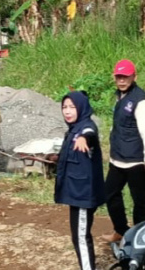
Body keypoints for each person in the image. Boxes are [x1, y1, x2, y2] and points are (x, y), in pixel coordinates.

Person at [102, 60, 145, 243]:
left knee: (139, 200)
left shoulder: (141, 101)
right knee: (110, 194)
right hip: (117, 158)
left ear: (134, 77)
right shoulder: (119, 95)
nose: (121, 80)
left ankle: (142, 239)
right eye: (118, 76)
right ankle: (121, 230)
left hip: (135, 161)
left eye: (125, 76)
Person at [55, 91, 105, 270]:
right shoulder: (73, 129)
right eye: (64, 107)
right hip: (75, 193)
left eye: (72, 107)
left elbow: (89, 134)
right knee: (78, 236)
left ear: (81, 108)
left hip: (83, 194)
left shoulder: (86, 127)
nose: (67, 111)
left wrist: (85, 138)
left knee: (81, 237)